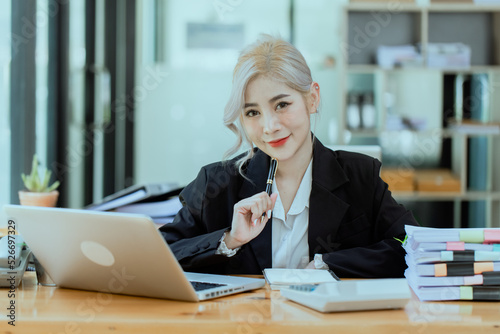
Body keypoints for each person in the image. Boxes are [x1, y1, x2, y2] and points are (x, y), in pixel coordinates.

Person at [159, 34, 418, 278]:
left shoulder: (361, 176)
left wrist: (328, 264)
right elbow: (161, 253)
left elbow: (411, 245)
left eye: (282, 105)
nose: (269, 126)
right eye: (252, 113)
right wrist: (229, 240)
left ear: (312, 99)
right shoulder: (216, 183)